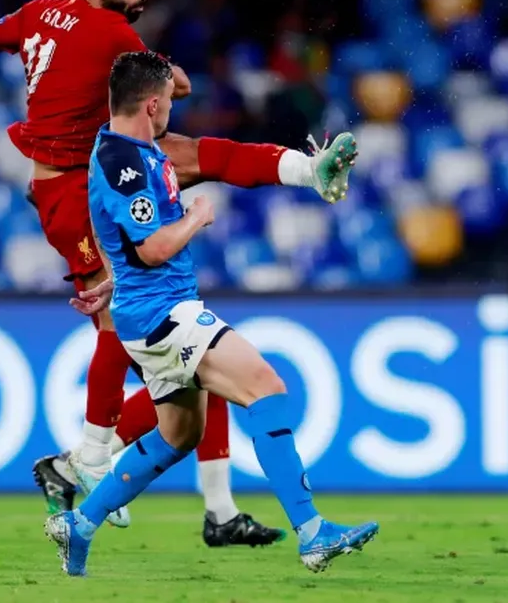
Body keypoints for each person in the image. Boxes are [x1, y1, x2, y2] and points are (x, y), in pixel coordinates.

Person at [0, 0, 357, 545]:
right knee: (127, 322)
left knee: (203, 169)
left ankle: (309, 169)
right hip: (77, 188)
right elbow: (172, 85)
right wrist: (172, 80)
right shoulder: (110, 32)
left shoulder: (43, 11)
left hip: (95, 162)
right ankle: (91, 457)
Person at [46, 51, 378, 577]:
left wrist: (113, 282)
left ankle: (80, 524)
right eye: (171, 104)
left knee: (179, 436)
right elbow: (154, 247)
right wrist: (197, 217)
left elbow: (133, 246)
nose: (172, 114)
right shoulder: (125, 163)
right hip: (164, 316)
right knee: (266, 388)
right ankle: (313, 534)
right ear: (151, 104)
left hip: (149, 311)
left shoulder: (133, 152)